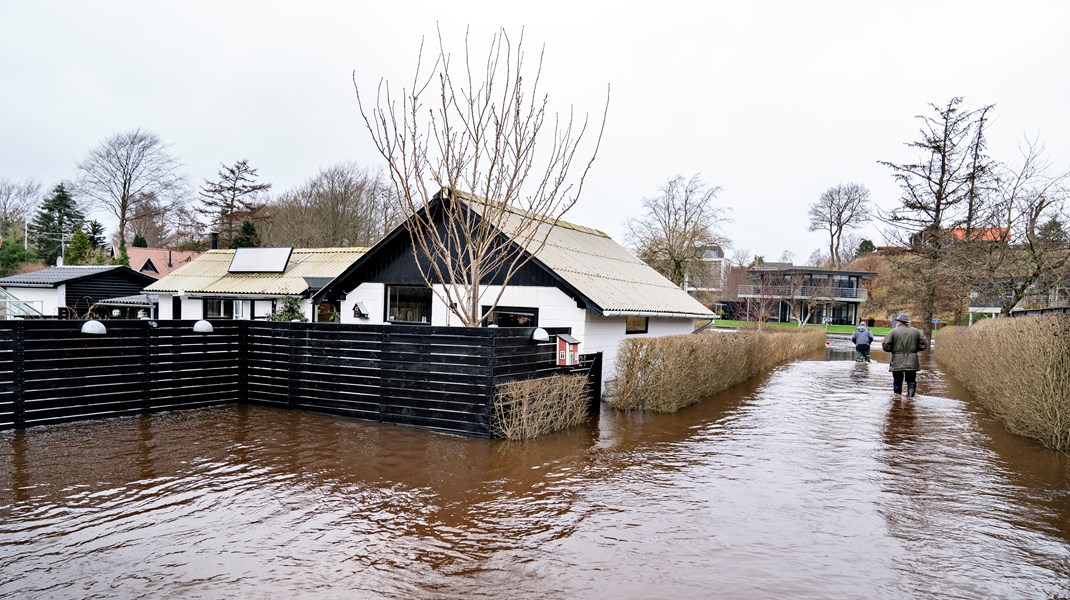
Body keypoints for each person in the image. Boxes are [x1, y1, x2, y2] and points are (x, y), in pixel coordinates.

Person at [881, 314, 928, 397]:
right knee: (911, 380)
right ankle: (911, 397)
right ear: (907, 322)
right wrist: (913, 350)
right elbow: (924, 344)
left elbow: (885, 345)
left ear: (899, 322)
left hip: (897, 360)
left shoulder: (894, 331)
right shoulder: (916, 331)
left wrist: (893, 350)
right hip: (912, 360)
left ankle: (897, 397)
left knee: (897, 380)